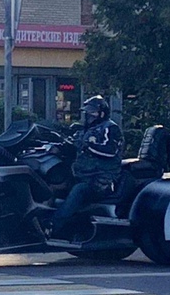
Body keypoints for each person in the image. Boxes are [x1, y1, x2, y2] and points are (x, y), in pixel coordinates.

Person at [45, 95, 124, 239]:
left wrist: (87, 146)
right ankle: (38, 221)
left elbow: (110, 151)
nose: (89, 115)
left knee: (79, 190)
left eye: (92, 112)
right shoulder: (85, 130)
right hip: (81, 176)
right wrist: (58, 147)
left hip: (101, 180)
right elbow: (73, 145)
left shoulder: (110, 128)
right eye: (87, 112)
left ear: (102, 113)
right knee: (53, 184)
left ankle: (53, 226)